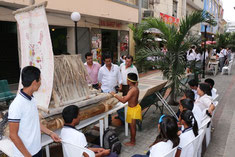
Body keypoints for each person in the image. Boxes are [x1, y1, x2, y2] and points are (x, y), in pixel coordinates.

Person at [8, 66, 60, 157]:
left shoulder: (32, 99)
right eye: (39, 80)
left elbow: (35, 122)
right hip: (25, 154)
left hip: (36, 149)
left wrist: (50, 133)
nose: (40, 82)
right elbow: (13, 135)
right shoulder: (17, 105)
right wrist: (27, 155)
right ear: (34, 83)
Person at [111, 73, 141, 146]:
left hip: (133, 110)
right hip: (134, 108)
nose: (126, 80)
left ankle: (133, 142)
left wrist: (114, 94)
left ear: (130, 81)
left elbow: (124, 101)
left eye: (127, 79)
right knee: (132, 126)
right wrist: (123, 97)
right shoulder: (134, 88)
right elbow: (129, 97)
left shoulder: (132, 89)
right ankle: (132, 140)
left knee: (132, 127)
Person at [117, 55, 138, 123]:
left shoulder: (134, 68)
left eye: (129, 62)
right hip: (121, 86)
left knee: (126, 101)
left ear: (132, 62)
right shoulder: (122, 65)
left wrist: (133, 89)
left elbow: (136, 80)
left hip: (129, 87)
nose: (127, 63)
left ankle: (125, 118)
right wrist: (119, 85)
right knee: (120, 102)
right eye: (126, 61)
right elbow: (119, 74)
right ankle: (121, 115)